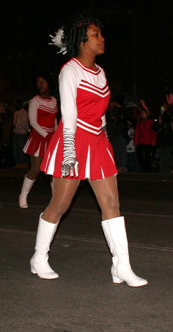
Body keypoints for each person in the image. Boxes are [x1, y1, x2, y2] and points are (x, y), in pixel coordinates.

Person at [32, 15, 147, 287]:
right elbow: (68, 114)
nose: (102, 38)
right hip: (73, 140)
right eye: (96, 34)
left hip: (96, 140)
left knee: (111, 204)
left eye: (101, 34)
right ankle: (39, 257)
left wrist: (103, 139)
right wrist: (69, 152)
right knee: (60, 204)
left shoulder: (100, 73)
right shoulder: (69, 70)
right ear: (82, 40)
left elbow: (101, 112)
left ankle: (121, 266)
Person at [18, 76, 58, 208]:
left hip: (51, 137)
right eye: (38, 82)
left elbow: (54, 120)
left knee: (53, 171)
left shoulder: (54, 100)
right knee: (35, 170)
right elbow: (33, 122)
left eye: (43, 81)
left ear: (49, 84)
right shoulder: (34, 101)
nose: (40, 84)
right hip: (39, 137)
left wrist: (57, 133)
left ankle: (55, 200)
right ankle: (23, 195)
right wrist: (47, 135)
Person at [12, 100, 30, 169]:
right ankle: (18, 163)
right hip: (16, 132)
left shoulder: (24, 112)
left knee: (22, 148)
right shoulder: (16, 112)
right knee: (16, 148)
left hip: (22, 133)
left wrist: (16, 126)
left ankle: (24, 163)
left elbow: (25, 124)